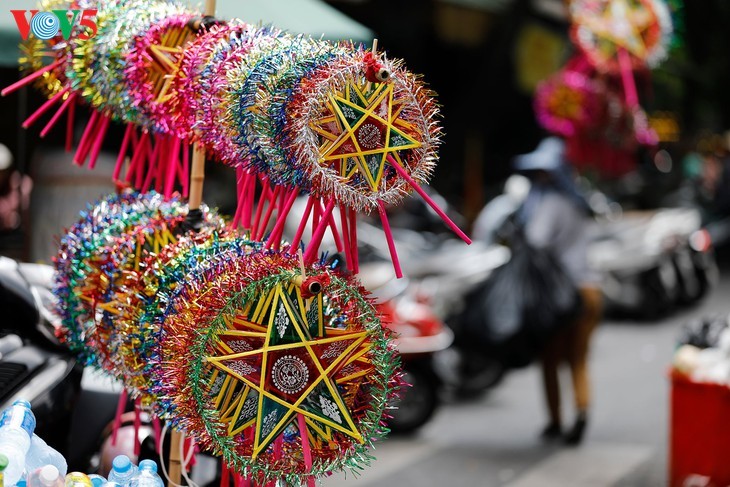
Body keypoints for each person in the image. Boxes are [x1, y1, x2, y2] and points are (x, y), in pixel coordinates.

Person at [513, 137, 603, 445]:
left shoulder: (549, 204)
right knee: (578, 360)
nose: (540, 177)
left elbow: (536, 241)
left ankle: (555, 420)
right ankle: (581, 413)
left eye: (544, 171)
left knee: (550, 359)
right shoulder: (579, 202)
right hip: (590, 291)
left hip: (559, 298)